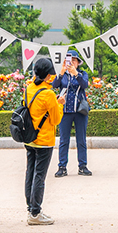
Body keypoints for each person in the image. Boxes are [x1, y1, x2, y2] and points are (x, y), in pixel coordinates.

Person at [23, 57, 65, 225]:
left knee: (30, 174)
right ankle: (35, 214)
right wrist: (59, 103)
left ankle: (30, 208)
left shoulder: (29, 88)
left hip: (29, 138)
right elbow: (55, 120)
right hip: (44, 141)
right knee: (39, 176)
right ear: (48, 75)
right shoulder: (48, 94)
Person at [52, 49, 92, 177]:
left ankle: (82, 166)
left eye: (74, 60)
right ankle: (62, 167)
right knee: (64, 140)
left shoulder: (82, 73)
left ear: (78, 62)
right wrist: (62, 72)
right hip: (65, 111)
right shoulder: (62, 75)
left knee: (81, 140)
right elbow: (54, 85)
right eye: (69, 60)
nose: (72, 62)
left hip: (80, 111)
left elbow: (84, 85)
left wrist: (76, 74)